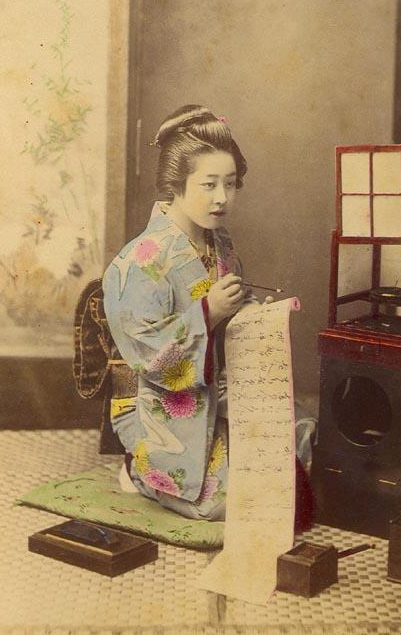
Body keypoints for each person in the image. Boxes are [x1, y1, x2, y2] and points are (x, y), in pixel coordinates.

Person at [103, 105, 315, 525]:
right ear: (176, 184)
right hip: (163, 399)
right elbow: (147, 357)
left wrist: (253, 316)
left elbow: (234, 310)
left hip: (216, 385)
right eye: (209, 184)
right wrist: (207, 313)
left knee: (302, 430)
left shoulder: (220, 242)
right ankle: (137, 469)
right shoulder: (139, 261)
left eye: (230, 184)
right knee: (232, 499)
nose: (222, 197)